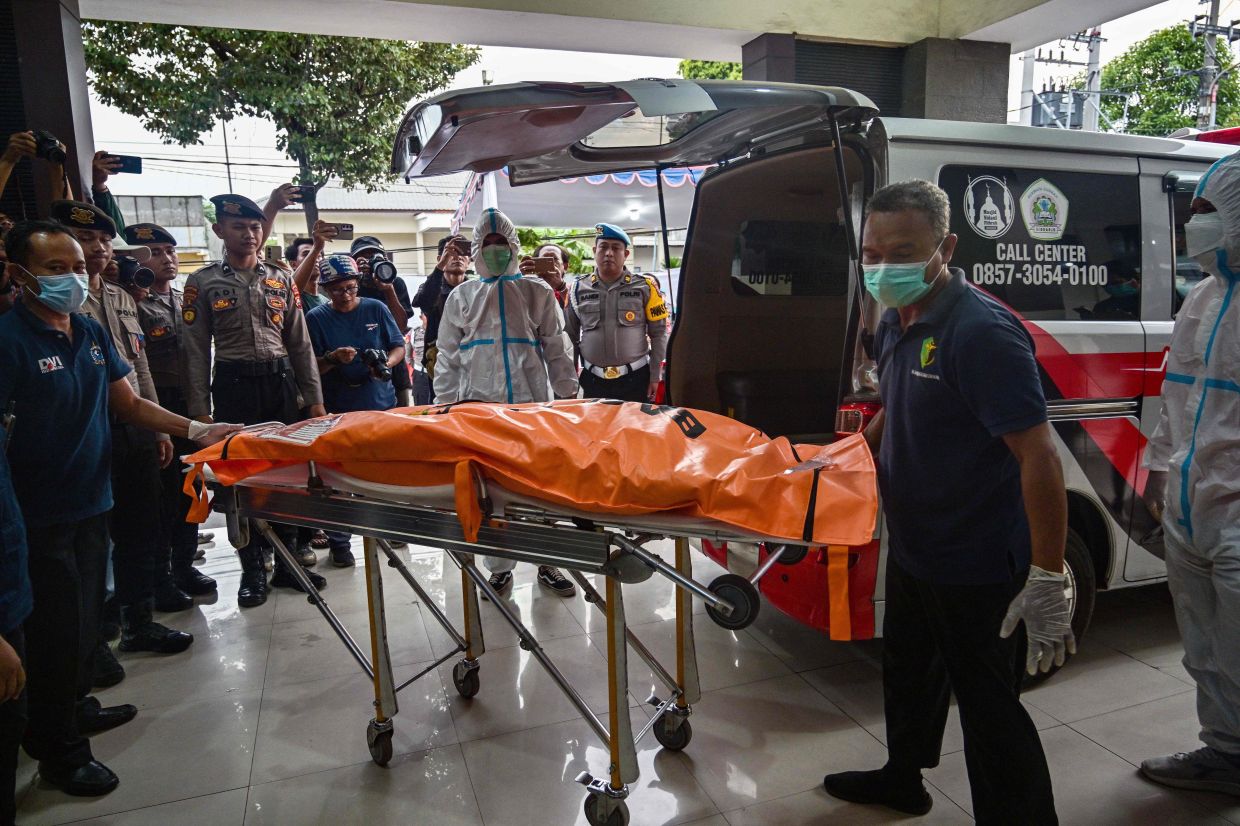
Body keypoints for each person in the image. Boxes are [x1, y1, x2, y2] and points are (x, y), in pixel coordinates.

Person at [821, 181, 1067, 824]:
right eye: (872, 254)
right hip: (916, 543)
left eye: (902, 252)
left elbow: (1039, 455)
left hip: (977, 559)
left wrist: (1047, 574)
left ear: (946, 247)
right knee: (909, 673)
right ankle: (903, 778)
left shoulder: (981, 332)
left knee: (988, 706)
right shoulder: (894, 319)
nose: (882, 268)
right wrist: (844, 459)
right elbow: (895, 407)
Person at [0, 220, 238, 796]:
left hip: (93, 498)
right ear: (18, 274)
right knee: (54, 633)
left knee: (84, 622)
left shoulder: (87, 331)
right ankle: (59, 752)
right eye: (55, 269)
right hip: (37, 515)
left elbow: (128, 402)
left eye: (78, 267)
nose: (72, 278)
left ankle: (75, 706)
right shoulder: (8, 342)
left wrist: (196, 429)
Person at [51, 201, 194, 664]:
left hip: (136, 426)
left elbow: (140, 367)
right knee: (88, 542)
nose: (97, 248)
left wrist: (161, 432)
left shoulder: (120, 297)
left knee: (141, 527)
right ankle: (91, 642)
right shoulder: (60, 302)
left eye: (103, 240)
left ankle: (138, 622)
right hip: (87, 431)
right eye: (85, 239)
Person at [1138, 153, 1240, 797]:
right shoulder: (1202, 297)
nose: (1193, 222)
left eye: (1208, 210)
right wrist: (1158, 470)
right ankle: (1225, 753)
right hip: (1189, 504)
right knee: (1204, 647)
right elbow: (1177, 400)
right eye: (1193, 209)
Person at [181, 194, 327, 609]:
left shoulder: (281, 278)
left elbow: (300, 343)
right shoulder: (202, 282)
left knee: (287, 474)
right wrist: (199, 414)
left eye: (255, 227)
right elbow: (195, 351)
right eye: (239, 227)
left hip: (280, 385)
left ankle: (288, 564)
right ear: (219, 231)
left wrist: (314, 400)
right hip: (233, 386)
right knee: (240, 480)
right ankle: (252, 570)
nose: (249, 234)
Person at [434, 208, 579, 598]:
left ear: (513, 246)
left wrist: (568, 396)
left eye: (501, 243)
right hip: (479, 408)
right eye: (488, 243)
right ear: (477, 248)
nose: (495, 250)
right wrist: (444, 405)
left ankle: (548, 562)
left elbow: (558, 347)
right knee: (490, 491)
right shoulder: (461, 296)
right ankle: (499, 568)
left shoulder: (536, 291)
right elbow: (447, 355)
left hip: (533, 407)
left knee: (540, 486)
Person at [123, 222, 217, 600]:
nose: (167, 259)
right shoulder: (131, 303)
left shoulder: (184, 300)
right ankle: (159, 577)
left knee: (191, 486)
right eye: (156, 253)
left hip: (190, 403)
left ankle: (184, 566)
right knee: (160, 497)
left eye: (170, 251)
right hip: (152, 406)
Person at [305, 254, 406, 566]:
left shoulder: (375, 308)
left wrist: (385, 364)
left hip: (379, 404)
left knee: (383, 473)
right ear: (325, 289)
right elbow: (308, 367)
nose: (345, 295)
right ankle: (340, 543)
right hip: (337, 408)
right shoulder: (317, 318)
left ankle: (389, 529)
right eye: (337, 290)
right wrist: (333, 358)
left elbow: (398, 346)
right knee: (337, 478)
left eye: (350, 288)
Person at [564, 224, 668, 402]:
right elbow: (569, 338)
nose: (609, 253)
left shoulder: (646, 287)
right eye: (603, 247)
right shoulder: (576, 288)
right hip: (592, 381)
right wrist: (569, 380)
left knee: (634, 421)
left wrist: (655, 376)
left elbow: (659, 334)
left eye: (616, 248)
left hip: (636, 380)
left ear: (625, 254)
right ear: (595, 251)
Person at [349, 236, 414, 406]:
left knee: (400, 413)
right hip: (360, 361)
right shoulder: (351, 286)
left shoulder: (395, 283)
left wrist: (388, 289)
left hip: (394, 361)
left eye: (374, 257)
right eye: (363, 258)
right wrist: (357, 279)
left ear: (384, 259)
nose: (369, 262)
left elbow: (400, 326)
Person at [413, 234, 470, 390]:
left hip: (473, 361)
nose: (457, 257)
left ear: (470, 260)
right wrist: (440, 266)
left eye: (463, 252)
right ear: (440, 258)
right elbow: (424, 301)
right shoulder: (432, 286)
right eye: (452, 252)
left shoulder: (476, 289)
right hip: (441, 365)